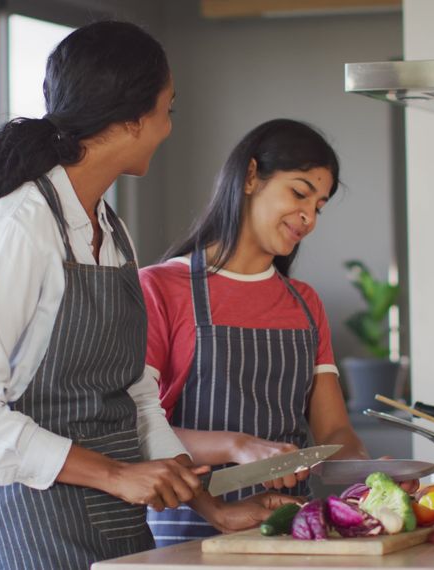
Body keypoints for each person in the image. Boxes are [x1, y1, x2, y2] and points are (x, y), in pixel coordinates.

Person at [0, 22, 290, 570]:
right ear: (130, 119)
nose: (168, 128)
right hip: (30, 527)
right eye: (168, 109)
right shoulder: (20, 226)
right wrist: (117, 475)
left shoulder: (112, 232)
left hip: (117, 526)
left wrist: (212, 508)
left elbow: (136, 397)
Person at [140, 119, 372, 547]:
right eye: (299, 193)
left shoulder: (304, 303)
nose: (308, 217)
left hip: (286, 531)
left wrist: (369, 474)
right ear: (250, 176)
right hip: (186, 535)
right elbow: (137, 427)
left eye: (319, 206)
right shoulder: (160, 288)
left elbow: (335, 432)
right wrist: (240, 446)